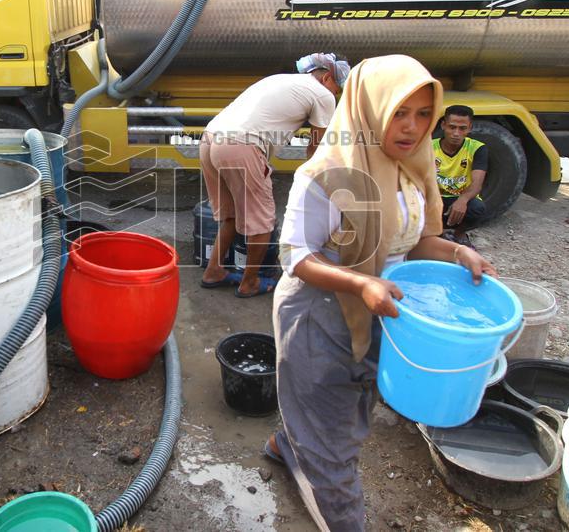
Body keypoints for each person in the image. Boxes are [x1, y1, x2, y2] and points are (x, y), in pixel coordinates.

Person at [265, 56, 497, 531]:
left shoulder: (413, 168)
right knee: (333, 443)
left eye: (422, 114)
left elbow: (418, 241)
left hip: (379, 309)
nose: (412, 128)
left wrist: (458, 254)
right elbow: (296, 258)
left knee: (350, 411)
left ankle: (287, 444)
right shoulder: (328, 173)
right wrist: (360, 281)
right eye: (399, 113)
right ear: (370, 109)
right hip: (319, 312)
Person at [199, 52, 350, 298]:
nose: (336, 95)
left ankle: (213, 271)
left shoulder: (281, 80)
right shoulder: (323, 95)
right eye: (337, 89)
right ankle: (249, 283)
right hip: (240, 145)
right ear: (327, 77)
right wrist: (315, 186)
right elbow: (316, 146)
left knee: (230, 215)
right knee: (263, 222)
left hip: (210, 139)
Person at [433, 105, 488, 246]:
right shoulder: (429, 147)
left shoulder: (477, 148)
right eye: (452, 127)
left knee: (477, 208)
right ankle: (436, 234)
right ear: (443, 125)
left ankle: (459, 234)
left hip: (459, 197)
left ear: (470, 128)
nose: (456, 133)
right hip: (435, 198)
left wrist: (462, 200)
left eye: (462, 128)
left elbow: (477, 184)